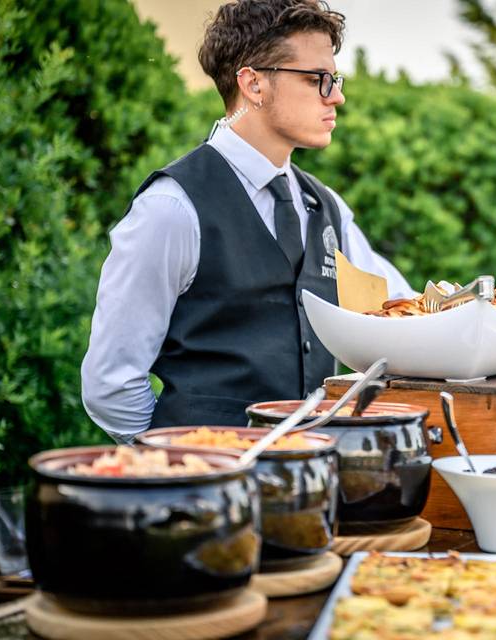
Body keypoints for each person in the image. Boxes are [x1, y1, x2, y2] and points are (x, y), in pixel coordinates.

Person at [81, 0, 414, 442]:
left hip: (305, 486)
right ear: (254, 84)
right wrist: (176, 465)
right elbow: (111, 383)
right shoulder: (172, 208)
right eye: (318, 80)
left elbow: (403, 311)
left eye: (335, 79)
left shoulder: (326, 206)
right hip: (200, 495)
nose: (337, 96)